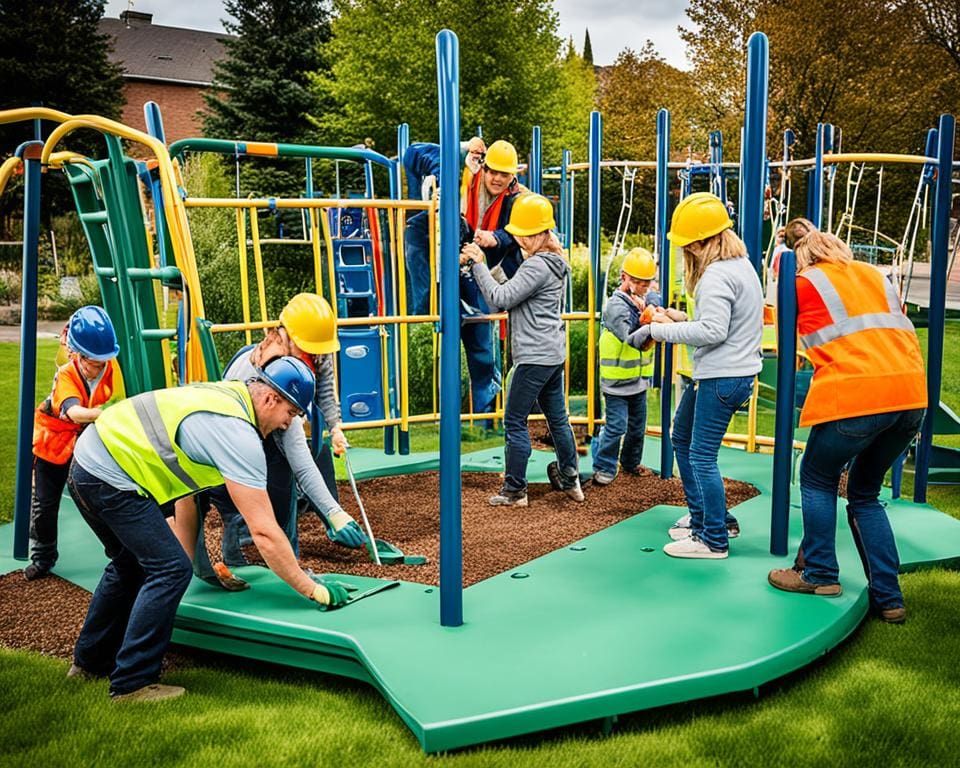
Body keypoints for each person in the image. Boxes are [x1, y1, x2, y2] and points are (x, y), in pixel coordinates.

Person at [67, 357, 351, 701]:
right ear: (271, 399)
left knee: (130, 565)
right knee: (168, 569)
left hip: (88, 463)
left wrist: (201, 569)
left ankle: (89, 663)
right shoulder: (237, 432)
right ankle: (132, 683)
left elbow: (188, 498)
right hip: (110, 476)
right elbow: (263, 531)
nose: (286, 424)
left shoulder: (228, 395)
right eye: (290, 414)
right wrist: (311, 588)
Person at [767, 225, 927, 623]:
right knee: (865, 493)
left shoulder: (803, 281)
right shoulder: (876, 276)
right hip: (911, 395)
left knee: (817, 476)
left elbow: (775, 325)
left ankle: (819, 573)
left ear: (802, 259)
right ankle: (889, 599)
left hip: (856, 395)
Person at [629, 192, 763, 559]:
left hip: (722, 376)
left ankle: (713, 538)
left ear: (704, 241)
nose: (685, 252)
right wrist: (679, 318)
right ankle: (707, 519)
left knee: (701, 455)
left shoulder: (717, 275)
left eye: (688, 246)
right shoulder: (742, 266)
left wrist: (660, 331)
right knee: (681, 436)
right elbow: (721, 325)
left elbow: (714, 332)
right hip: (730, 373)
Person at [210, 293, 365, 577]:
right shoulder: (271, 373)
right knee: (259, 494)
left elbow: (323, 392)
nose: (315, 358)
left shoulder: (304, 354)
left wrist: (335, 426)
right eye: (309, 350)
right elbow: (297, 456)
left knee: (294, 476)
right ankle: (249, 562)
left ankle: (282, 561)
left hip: (257, 433)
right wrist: (333, 511)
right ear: (287, 335)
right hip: (231, 440)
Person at [461, 193, 583, 506]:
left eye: (523, 234)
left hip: (533, 356)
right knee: (558, 419)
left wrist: (477, 264)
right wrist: (488, 270)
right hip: (552, 353)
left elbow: (499, 299)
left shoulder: (537, 266)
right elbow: (513, 293)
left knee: (514, 421)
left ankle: (515, 490)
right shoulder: (556, 262)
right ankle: (571, 480)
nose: (518, 238)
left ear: (541, 234)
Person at [25, 306, 122, 581]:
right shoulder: (67, 374)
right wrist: (104, 413)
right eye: (93, 363)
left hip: (85, 443)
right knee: (44, 504)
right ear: (77, 355)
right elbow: (73, 412)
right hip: (52, 444)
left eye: (104, 361)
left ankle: (118, 551)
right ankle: (43, 556)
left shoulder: (108, 366)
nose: (99, 368)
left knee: (99, 497)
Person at [460, 139, 526, 423]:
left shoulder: (519, 198)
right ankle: (486, 410)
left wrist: (495, 237)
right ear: (484, 168)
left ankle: (499, 410)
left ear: (513, 176)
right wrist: (466, 146)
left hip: (500, 273)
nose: (497, 178)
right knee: (479, 340)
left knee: (502, 342)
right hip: (473, 269)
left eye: (504, 174)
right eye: (493, 172)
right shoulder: (470, 181)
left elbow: (523, 231)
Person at [591, 247, 658, 485]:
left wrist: (653, 308)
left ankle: (630, 462)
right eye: (638, 282)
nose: (643, 287)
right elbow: (631, 338)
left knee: (638, 427)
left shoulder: (642, 299)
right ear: (624, 278)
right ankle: (604, 466)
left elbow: (653, 303)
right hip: (617, 381)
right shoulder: (616, 308)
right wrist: (654, 325)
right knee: (616, 425)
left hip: (637, 380)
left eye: (647, 283)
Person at [401, 137, 485, 315]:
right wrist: (463, 148)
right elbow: (411, 153)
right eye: (477, 155)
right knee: (426, 293)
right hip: (424, 226)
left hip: (448, 227)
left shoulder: (473, 178)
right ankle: (423, 327)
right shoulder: (447, 165)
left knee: (449, 292)